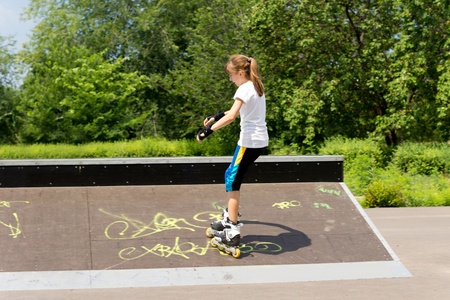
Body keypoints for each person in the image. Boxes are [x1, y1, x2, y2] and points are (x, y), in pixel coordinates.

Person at [197, 54, 269, 251]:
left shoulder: (244, 88)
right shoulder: (255, 84)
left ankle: (232, 229)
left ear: (240, 73)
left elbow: (231, 117)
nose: (230, 79)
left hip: (249, 142)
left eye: (231, 75)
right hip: (259, 141)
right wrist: (215, 116)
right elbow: (231, 111)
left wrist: (207, 131)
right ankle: (230, 216)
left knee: (232, 180)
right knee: (231, 174)